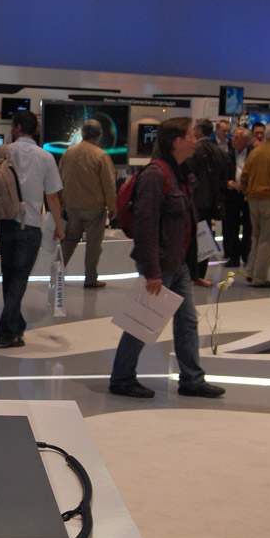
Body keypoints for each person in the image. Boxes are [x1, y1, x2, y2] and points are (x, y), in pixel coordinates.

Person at [109, 117, 225, 400]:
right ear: (178, 141)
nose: (196, 140)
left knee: (187, 322)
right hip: (160, 264)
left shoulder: (179, 172)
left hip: (178, 262)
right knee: (143, 321)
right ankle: (122, 378)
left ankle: (192, 380)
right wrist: (153, 271)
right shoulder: (156, 175)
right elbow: (145, 226)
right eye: (191, 135)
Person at [0, 110, 64, 348]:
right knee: (19, 277)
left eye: (12, 125)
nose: (11, 129)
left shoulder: (2, 151)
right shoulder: (45, 157)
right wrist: (59, 226)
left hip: (4, 219)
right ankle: (6, 332)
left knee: (8, 275)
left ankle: (15, 324)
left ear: (18, 127)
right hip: (30, 224)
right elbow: (52, 196)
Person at [58, 118, 116, 288]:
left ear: (82, 133)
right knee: (93, 246)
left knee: (69, 242)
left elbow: (60, 177)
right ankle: (90, 279)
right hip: (94, 208)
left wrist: (61, 199)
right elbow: (109, 184)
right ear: (99, 135)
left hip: (71, 206)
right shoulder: (100, 155)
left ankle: (56, 273)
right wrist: (112, 206)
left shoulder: (68, 152)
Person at [239, 122, 270, 288]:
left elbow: (244, 176)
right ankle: (260, 276)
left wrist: (247, 192)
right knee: (269, 240)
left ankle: (251, 272)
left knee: (256, 238)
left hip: (253, 201)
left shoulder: (255, 152)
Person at [187, 118, 227, 283]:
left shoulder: (195, 149)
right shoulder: (219, 151)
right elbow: (224, 176)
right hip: (212, 200)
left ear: (199, 131)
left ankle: (192, 273)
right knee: (206, 236)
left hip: (196, 201)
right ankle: (201, 273)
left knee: (192, 237)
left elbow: (188, 174)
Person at [223, 127, 252, 267]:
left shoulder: (253, 154)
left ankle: (246, 254)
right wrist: (227, 182)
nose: (232, 140)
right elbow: (222, 174)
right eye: (233, 137)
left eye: (236, 138)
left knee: (248, 225)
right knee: (232, 226)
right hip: (232, 195)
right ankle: (233, 256)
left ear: (245, 140)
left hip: (248, 195)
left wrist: (246, 184)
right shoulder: (228, 155)